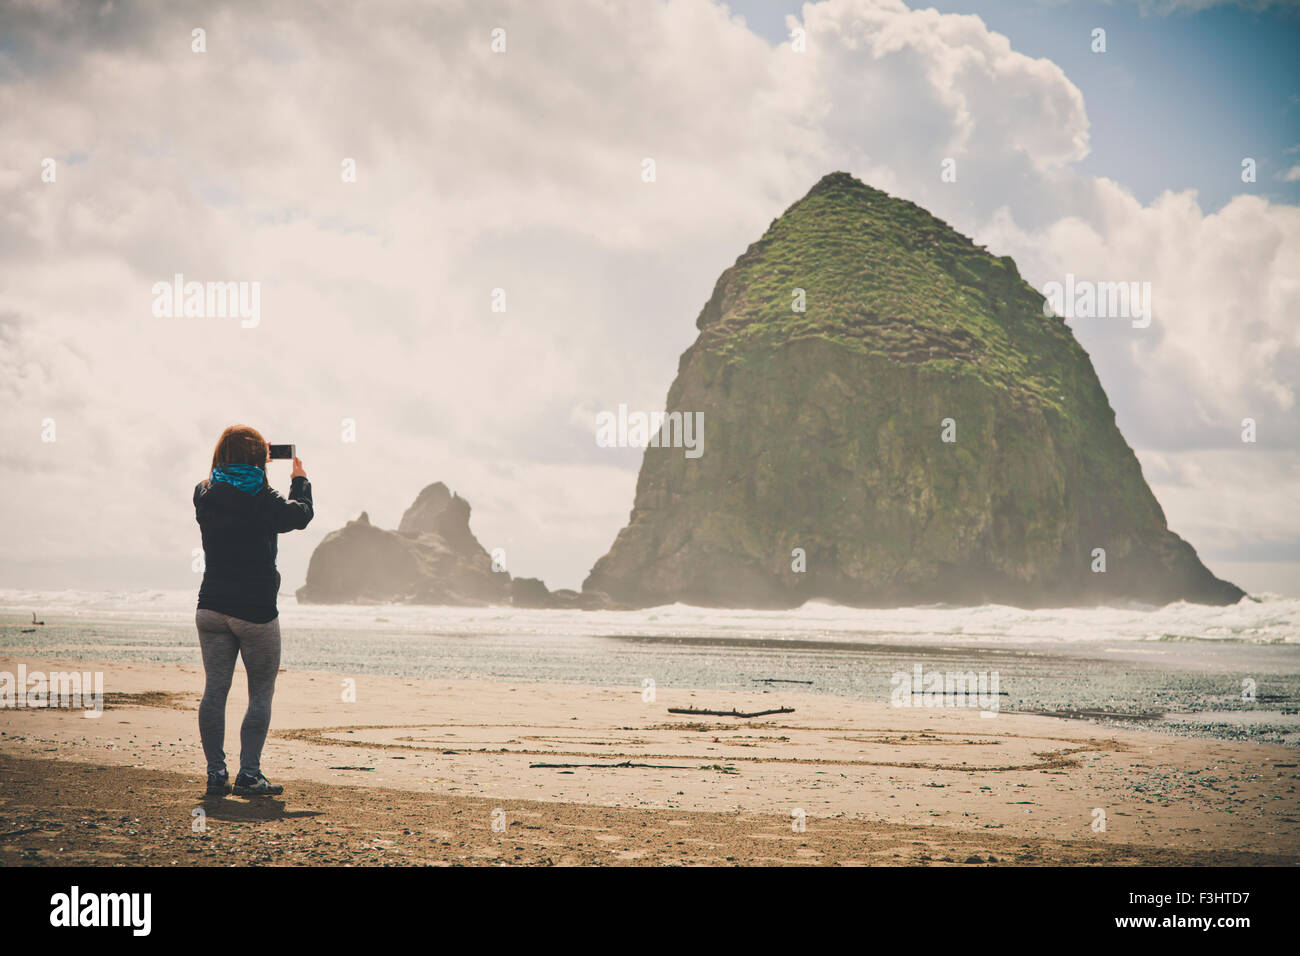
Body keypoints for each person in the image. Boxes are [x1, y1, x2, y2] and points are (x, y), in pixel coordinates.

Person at [194, 425, 313, 797]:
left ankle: (216, 772)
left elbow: (234, 493)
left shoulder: (203, 493)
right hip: (256, 610)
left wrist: (257, 466)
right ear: (259, 458)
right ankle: (249, 773)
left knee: (215, 690)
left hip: (211, 606)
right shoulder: (264, 498)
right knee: (260, 692)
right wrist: (300, 480)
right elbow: (301, 515)